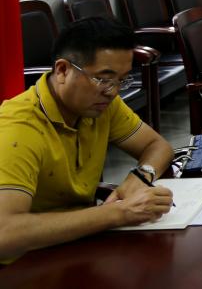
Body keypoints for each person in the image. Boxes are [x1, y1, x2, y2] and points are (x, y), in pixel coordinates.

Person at [0, 18, 176, 261]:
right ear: (63, 70)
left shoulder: (101, 105)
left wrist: (141, 175)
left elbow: (157, 146)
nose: (112, 91)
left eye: (122, 80)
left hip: (78, 243)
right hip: (24, 262)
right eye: (103, 79)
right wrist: (120, 213)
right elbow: (5, 233)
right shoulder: (18, 130)